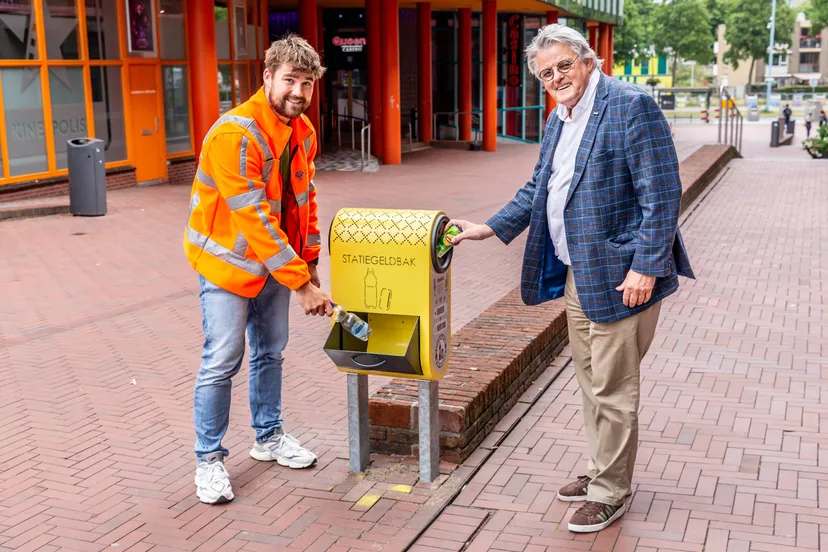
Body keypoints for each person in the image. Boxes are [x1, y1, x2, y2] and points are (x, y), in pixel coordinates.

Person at [448, 24, 694, 534]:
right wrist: (489, 228)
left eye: (564, 65)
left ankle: (610, 492)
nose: (556, 77)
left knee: (614, 386)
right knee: (591, 381)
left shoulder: (630, 105)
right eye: (546, 73)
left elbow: (662, 193)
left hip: (623, 276)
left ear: (588, 60)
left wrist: (646, 267)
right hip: (580, 272)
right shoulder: (559, 118)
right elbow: (540, 185)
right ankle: (602, 468)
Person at [183, 35, 332, 504]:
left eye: (307, 83)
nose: (298, 92)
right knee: (222, 359)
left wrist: (309, 261)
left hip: (275, 266)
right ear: (267, 77)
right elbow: (254, 216)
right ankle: (208, 460)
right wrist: (300, 283)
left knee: (271, 352)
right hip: (228, 267)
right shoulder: (235, 134)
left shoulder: (302, 131)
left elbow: (304, 201)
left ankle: (268, 436)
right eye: (290, 80)